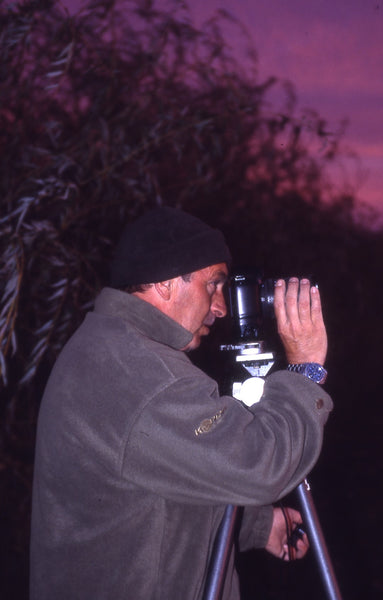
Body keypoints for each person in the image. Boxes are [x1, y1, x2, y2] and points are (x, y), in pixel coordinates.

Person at [30, 207, 332, 599]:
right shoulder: (146, 377)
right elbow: (261, 466)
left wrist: (258, 524)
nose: (222, 307)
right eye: (213, 285)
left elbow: (169, 480)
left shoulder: (109, 347)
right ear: (166, 283)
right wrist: (304, 372)